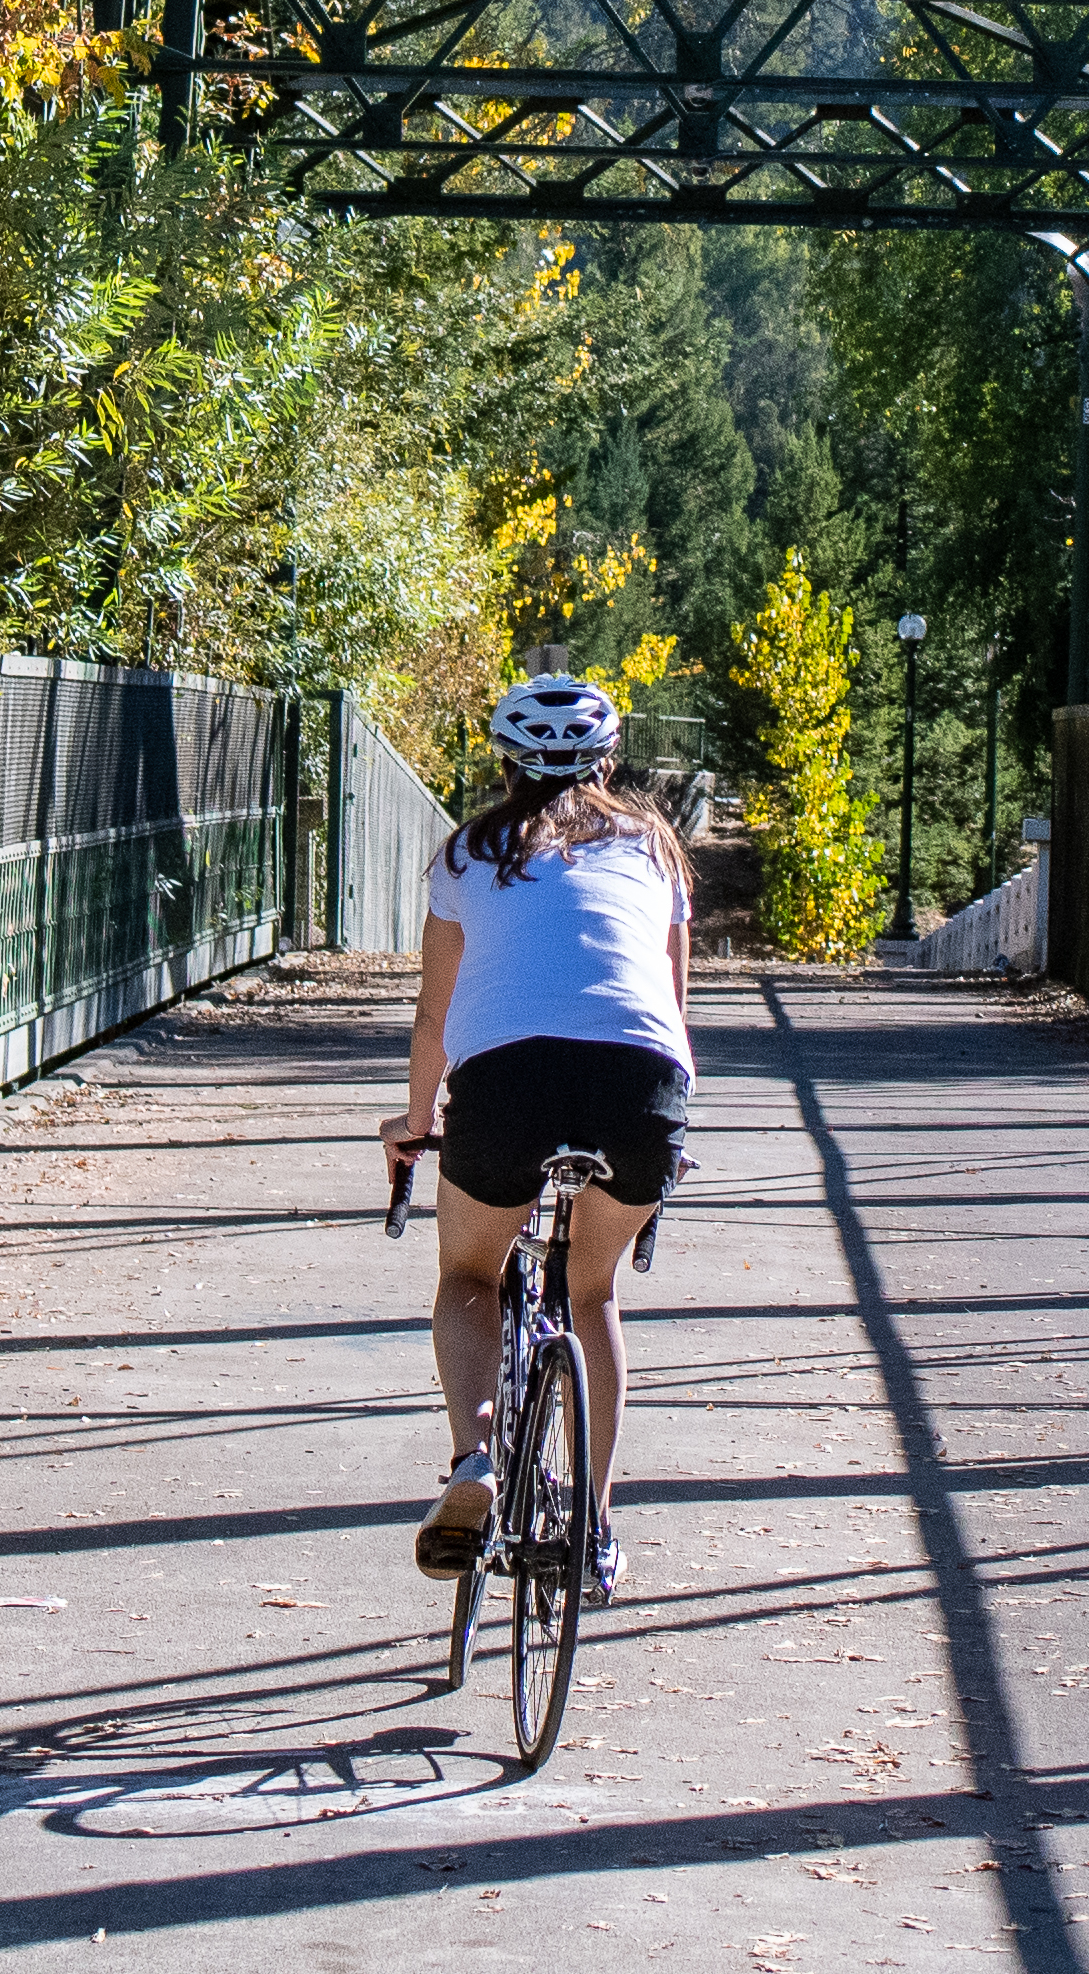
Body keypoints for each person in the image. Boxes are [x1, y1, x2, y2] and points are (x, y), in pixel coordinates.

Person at [382, 670, 693, 1597]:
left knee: (470, 1272)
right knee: (589, 1292)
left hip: (507, 1085)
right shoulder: (655, 850)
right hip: (641, 1087)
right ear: (608, 758)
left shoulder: (469, 851)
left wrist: (414, 1121)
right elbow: (672, 1010)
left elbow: (436, 1016)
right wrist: (668, 1135)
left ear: (506, 760)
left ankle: (474, 1459)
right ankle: (593, 1527)